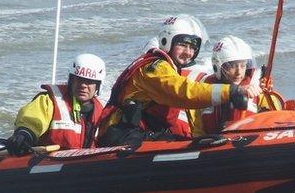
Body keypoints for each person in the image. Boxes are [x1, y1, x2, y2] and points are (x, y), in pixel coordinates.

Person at [97, 16, 255, 147]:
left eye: (193, 47)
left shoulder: (168, 68)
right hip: (121, 135)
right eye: (183, 45)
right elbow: (184, 92)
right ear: (167, 41)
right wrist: (231, 91)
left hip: (139, 134)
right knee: (183, 147)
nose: (188, 52)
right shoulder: (154, 69)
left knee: (189, 144)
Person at [6, 54, 106, 155]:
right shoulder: (50, 100)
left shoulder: (101, 112)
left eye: (89, 82)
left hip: (85, 165)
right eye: (79, 79)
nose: (83, 85)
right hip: (46, 162)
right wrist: (24, 135)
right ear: (71, 80)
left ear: (98, 86)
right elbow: (32, 120)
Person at [188, 35, 284, 136]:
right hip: (213, 146)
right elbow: (198, 132)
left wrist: (267, 94)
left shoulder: (258, 91)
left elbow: (276, 122)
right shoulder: (205, 91)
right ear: (218, 67)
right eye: (233, 66)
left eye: (243, 66)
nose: (239, 72)